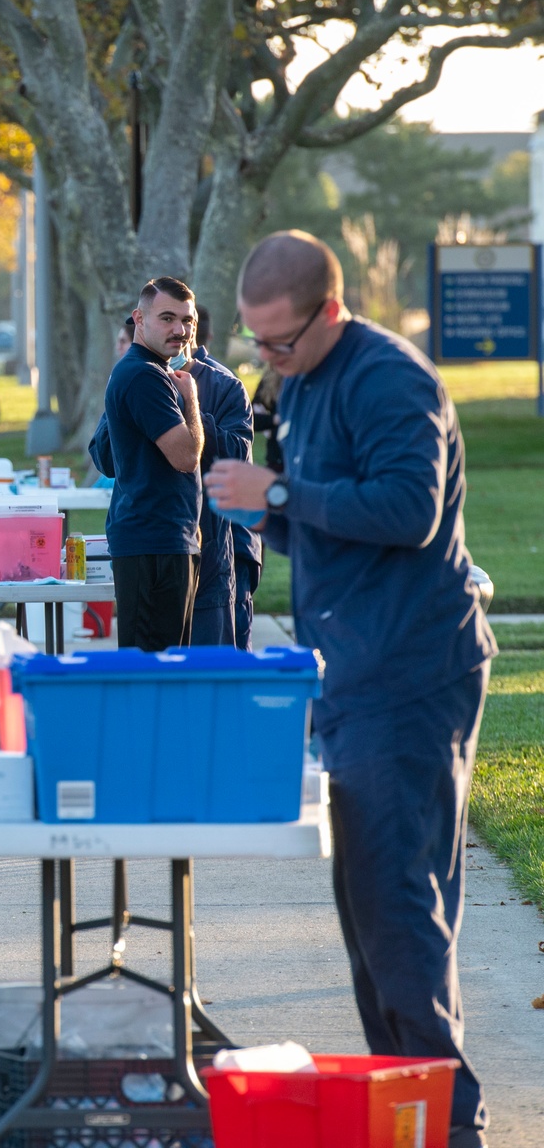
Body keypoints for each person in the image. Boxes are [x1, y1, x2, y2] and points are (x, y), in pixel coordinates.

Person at [205, 230, 497, 1148]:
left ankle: (446, 1118)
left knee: (397, 899)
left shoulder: (391, 379)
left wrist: (282, 497)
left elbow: (409, 513)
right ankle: (402, 1098)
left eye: (280, 342)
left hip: (412, 668)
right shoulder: (306, 379)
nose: (267, 360)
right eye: (256, 343)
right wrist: (264, 507)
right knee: (369, 907)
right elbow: (335, 523)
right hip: (351, 666)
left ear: (331, 311)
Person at [88, 277, 203, 651]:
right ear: (138, 318)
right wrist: (192, 400)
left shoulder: (134, 370)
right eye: (167, 318)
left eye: (187, 320)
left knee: (161, 672)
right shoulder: (144, 376)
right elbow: (187, 457)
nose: (180, 330)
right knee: (154, 674)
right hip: (155, 542)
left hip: (158, 539)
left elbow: (104, 457)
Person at [181, 315, 255, 646]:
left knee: (227, 658)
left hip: (226, 543)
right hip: (161, 548)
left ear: (192, 329)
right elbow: (104, 455)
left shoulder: (223, 384)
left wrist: (191, 409)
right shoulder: (136, 380)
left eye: (181, 320)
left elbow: (239, 453)